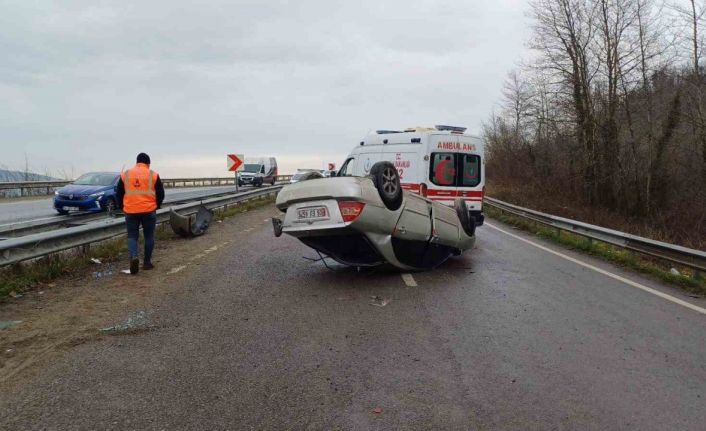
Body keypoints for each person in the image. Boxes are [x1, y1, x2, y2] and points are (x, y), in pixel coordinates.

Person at [116, 153, 165, 274]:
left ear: (137, 162)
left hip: (131, 211)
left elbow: (119, 193)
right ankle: (147, 263)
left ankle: (134, 257)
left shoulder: (125, 174)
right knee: (149, 237)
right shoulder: (153, 174)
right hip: (149, 210)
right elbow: (161, 193)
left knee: (132, 236)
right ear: (148, 163)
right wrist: (157, 205)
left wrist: (122, 207)